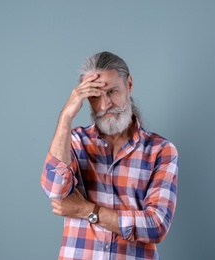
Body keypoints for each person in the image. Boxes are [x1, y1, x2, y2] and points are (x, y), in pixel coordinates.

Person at [41, 51, 178, 260]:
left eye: (112, 91)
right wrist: (66, 117)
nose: (105, 105)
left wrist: (85, 210)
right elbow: (55, 190)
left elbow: (156, 225)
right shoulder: (75, 142)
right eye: (95, 96)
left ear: (129, 84)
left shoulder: (161, 150)